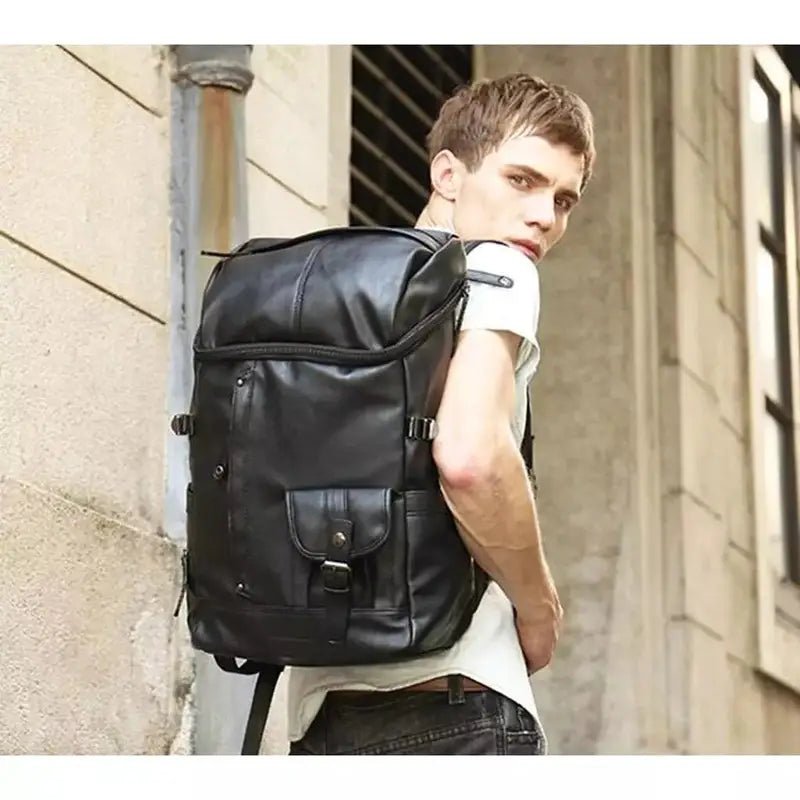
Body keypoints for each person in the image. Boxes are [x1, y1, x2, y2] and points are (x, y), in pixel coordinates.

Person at [286, 72, 596, 756]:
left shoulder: (338, 285)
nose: (545, 217)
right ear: (448, 174)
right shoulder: (498, 272)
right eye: (522, 180)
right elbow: (467, 458)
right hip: (457, 697)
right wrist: (538, 607)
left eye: (563, 198)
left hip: (322, 710)